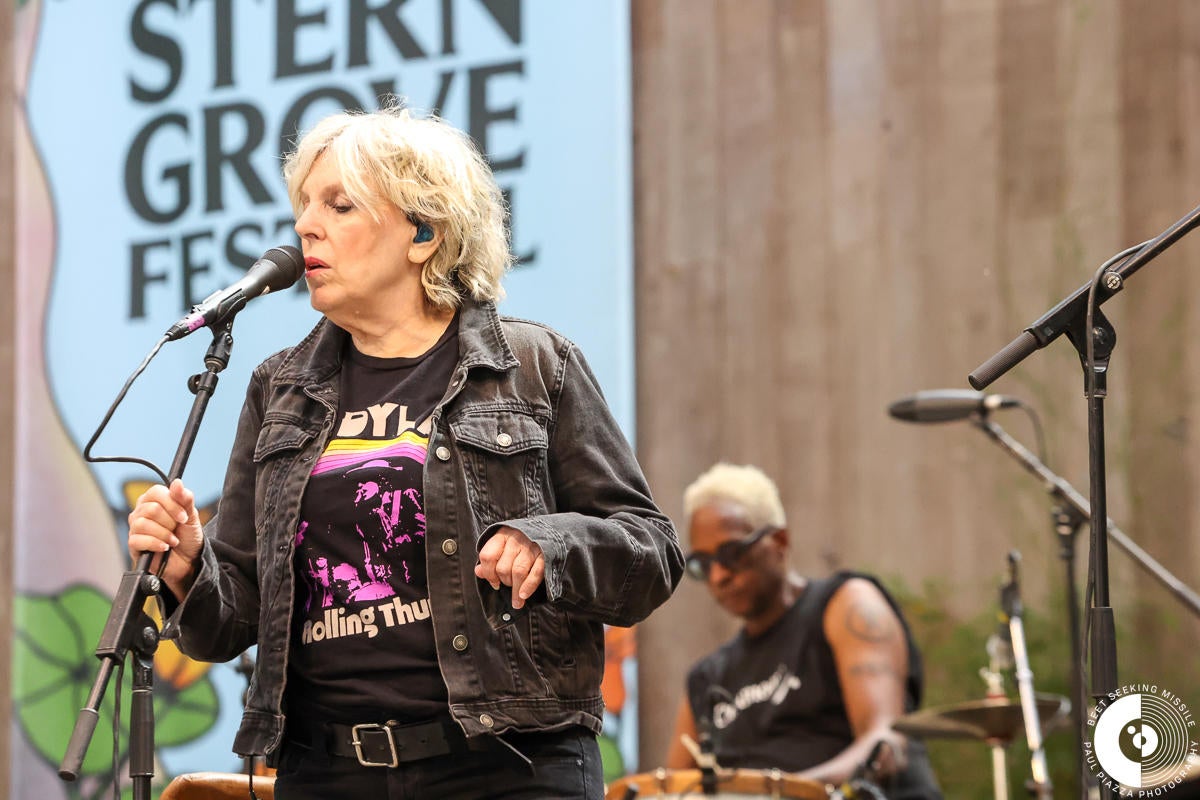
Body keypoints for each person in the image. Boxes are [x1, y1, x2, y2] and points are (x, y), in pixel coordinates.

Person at [127, 104, 683, 800]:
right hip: (325, 770)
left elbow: (650, 551)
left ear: (423, 232)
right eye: (303, 205)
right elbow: (231, 619)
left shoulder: (534, 366)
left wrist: (550, 545)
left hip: (505, 765)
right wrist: (188, 570)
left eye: (339, 205)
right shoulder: (280, 389)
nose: (305, 226)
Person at [665, 463, 942, 799]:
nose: (718, 576)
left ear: (779, 541)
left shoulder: (846, 605)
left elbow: (883, 744)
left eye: (732, 553)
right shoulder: (705, 678)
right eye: (702, 564)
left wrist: (780, 794)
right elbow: (671, 790)